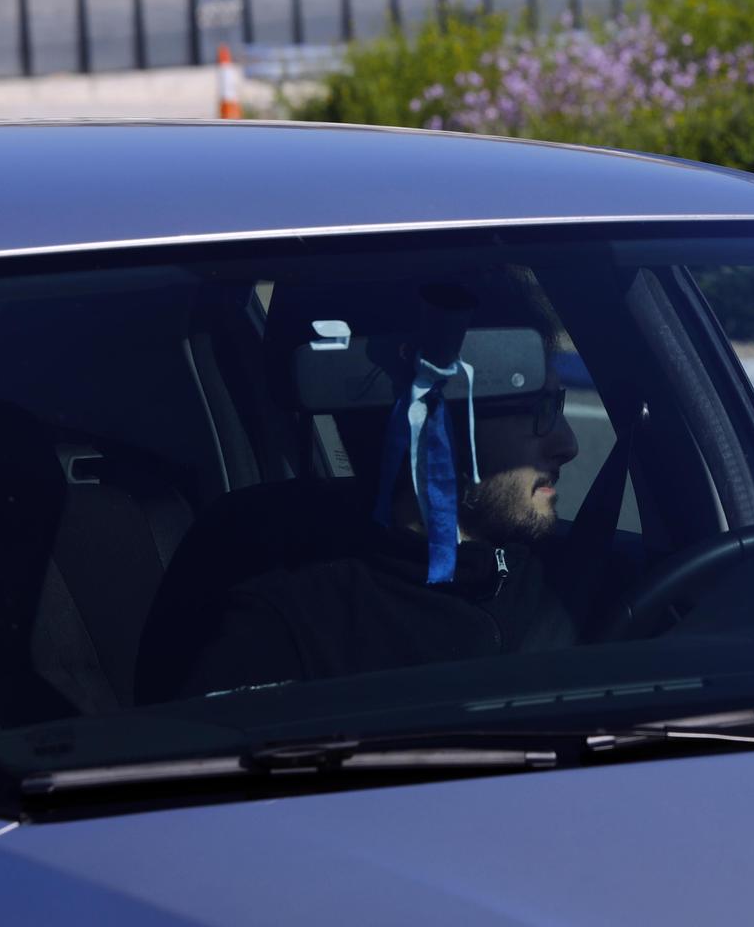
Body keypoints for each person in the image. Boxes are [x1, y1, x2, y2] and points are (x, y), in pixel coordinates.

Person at [175, 298, 584, 698]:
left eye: (557, 405)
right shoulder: (283, 632)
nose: (568, 444)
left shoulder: (544, 576)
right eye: (537, 410)